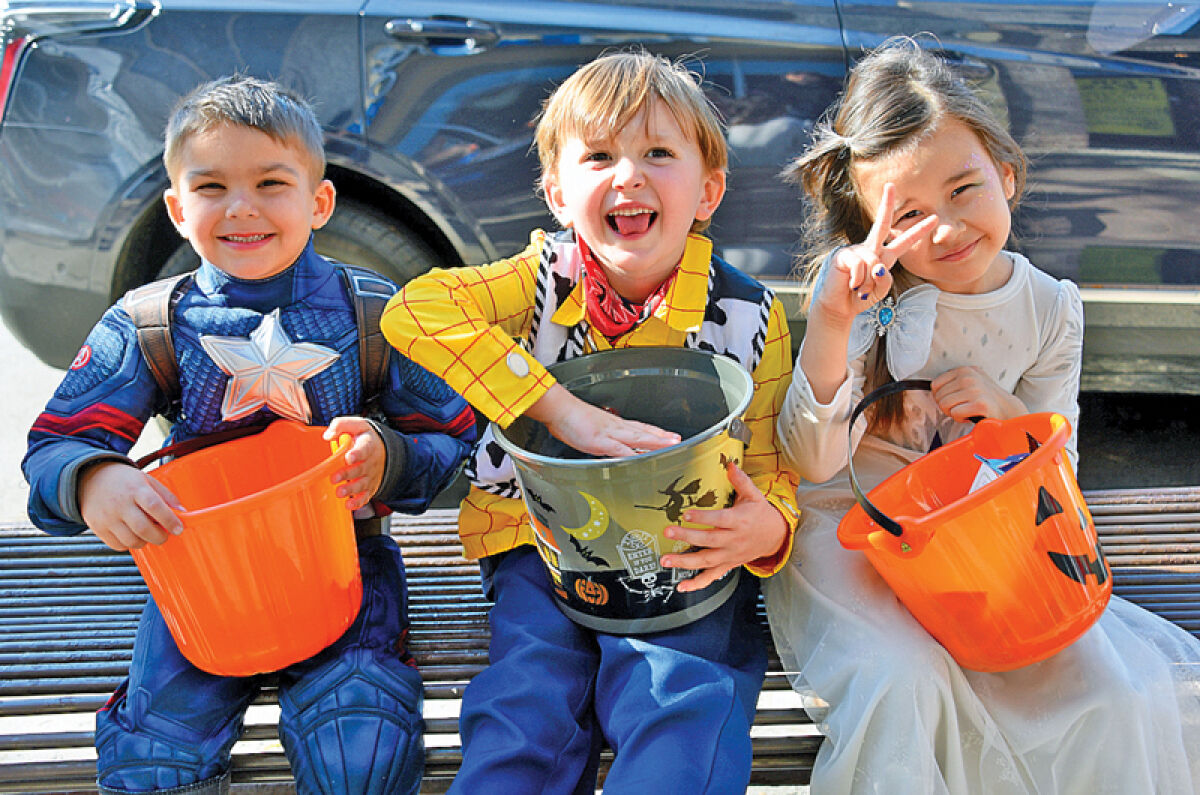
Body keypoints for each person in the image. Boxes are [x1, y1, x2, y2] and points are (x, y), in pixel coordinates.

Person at [765, 36, 1200, 794]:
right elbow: (812, 461)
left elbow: (1057, 479)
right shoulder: (866, 299)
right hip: (856, 535)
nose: (944, 228)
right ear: (871, 226)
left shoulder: (1049, 308)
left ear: (1007, 173)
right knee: (904, 682)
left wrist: (1007, 416)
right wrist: (833, 322)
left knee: (1111, 691)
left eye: (963, 189)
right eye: (908, 215)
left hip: (983, 538)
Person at [22, 74, 477, 795]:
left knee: (358, 737)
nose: (242, 207)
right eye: (211, 187)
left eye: (271, 182)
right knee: (156, 753)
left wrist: (388, 458)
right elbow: (55, 445)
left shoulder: (373, 312)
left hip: (344, 567)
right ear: (178, 209)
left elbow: (454, 437)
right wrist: (93, 481)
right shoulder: (150, 323)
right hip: (201, 580)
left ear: (319, 201)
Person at [380, 50, 800, 793]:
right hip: (540, 546)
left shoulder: (748, 315)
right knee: (527, 703)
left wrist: (768, 529)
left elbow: (770, 462)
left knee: (682, 697)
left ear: (708, 190)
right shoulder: (537, 281)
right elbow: (413, 310)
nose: (628, 175)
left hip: (683, 549)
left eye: (658, 153)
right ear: (557, 192)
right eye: (599, 156)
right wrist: (556, 405)